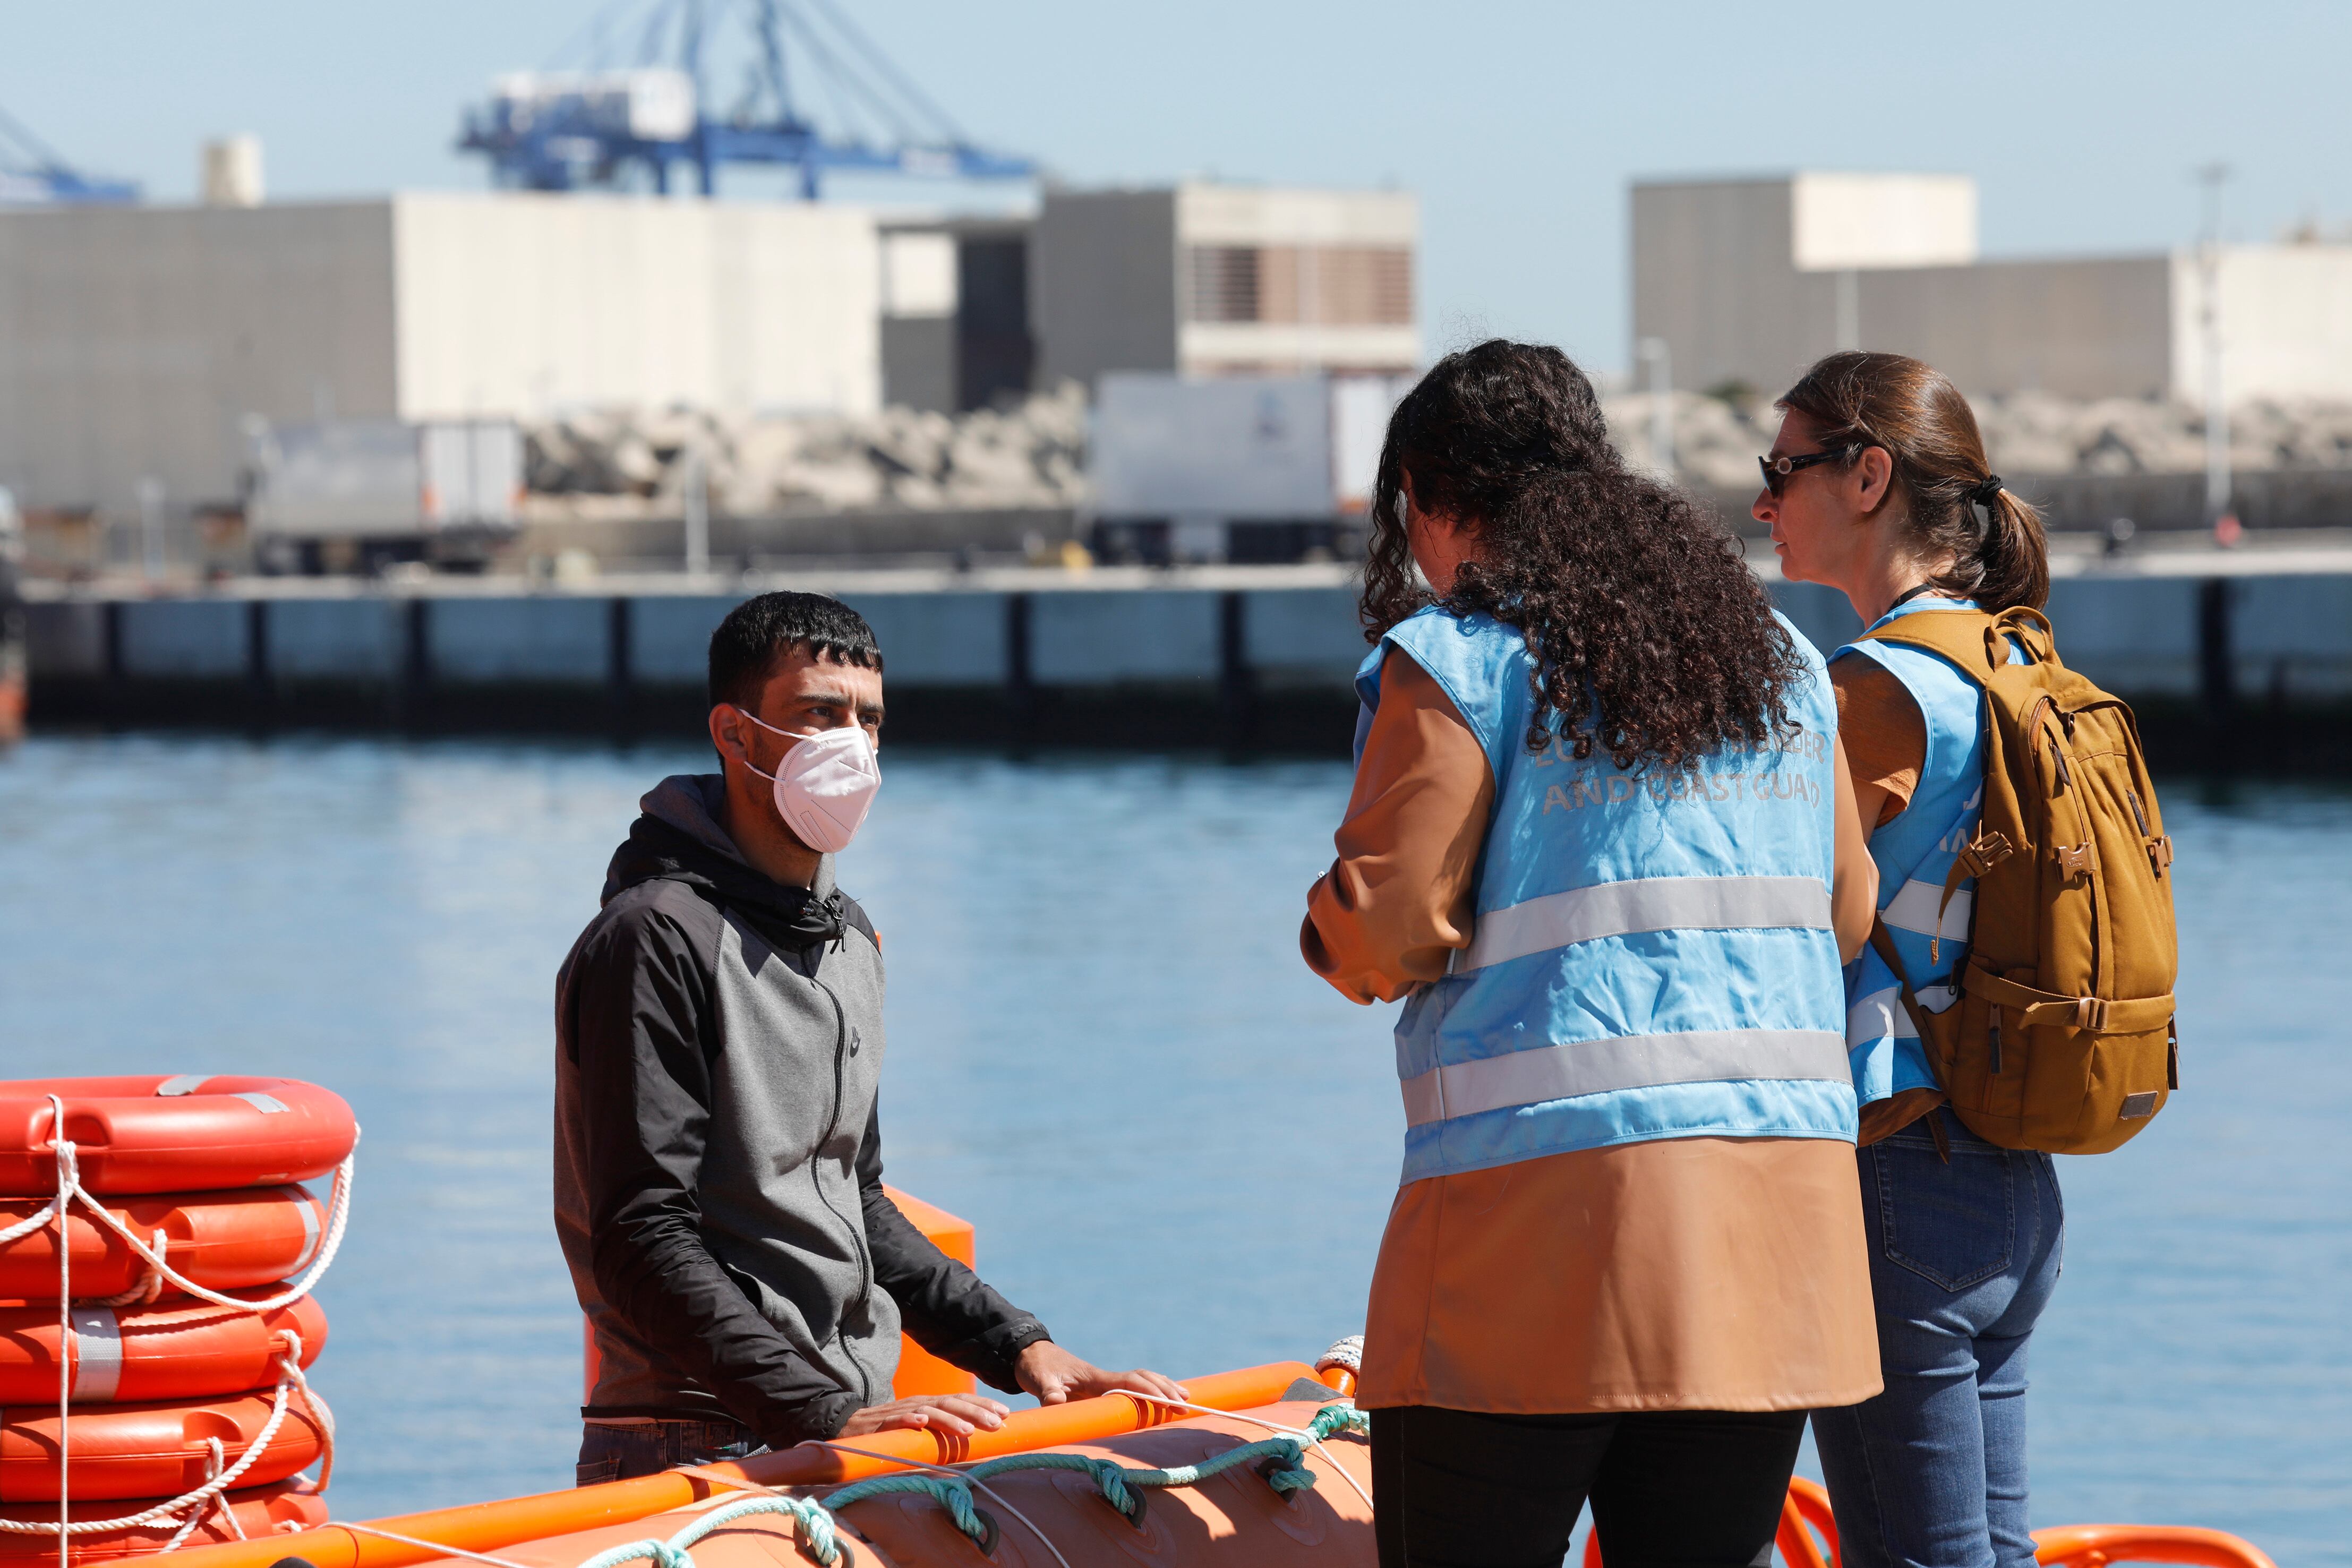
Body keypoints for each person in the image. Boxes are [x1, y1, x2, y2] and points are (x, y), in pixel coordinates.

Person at [1303, 340, 1884, 1568]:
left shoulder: (1465, 660)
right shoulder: (1780, 664)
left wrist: (1325, 928)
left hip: (1533, 1238)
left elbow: (1386, 927)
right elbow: (1842, 914)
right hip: (1773, 1231)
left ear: (1435, 492)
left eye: (1409, 516)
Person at [555, 590, 1184, 1484]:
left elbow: (856, 1197)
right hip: (698, 1435)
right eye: (819, 713)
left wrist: (1022, 1348)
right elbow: (641, 1237)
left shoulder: (849, 936)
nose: (854, 742)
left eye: (869, 718)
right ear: (735, 736)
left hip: (844, 1420)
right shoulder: (652, 936)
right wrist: (829, 1411)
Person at [1754, 350, 2063, 1568]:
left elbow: (1788, 918)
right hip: (2012, 1177)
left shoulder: (1872, 692)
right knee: (1991, 1550)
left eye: (1782, 469)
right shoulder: (2015, 660)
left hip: (1894, 1171)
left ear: (1867, 473)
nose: (1764, 502)